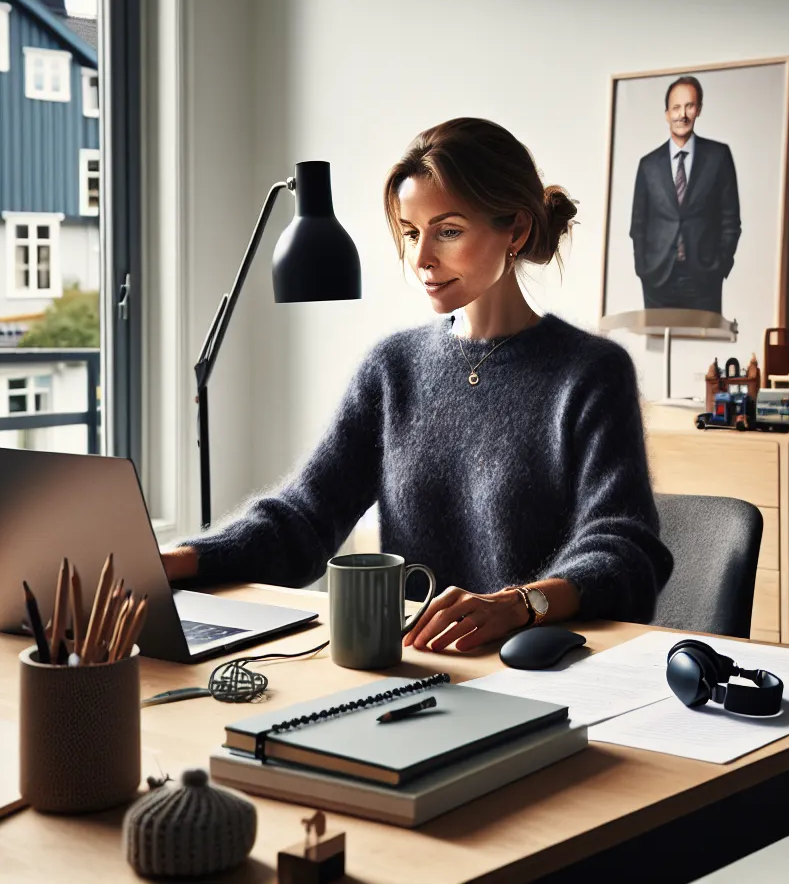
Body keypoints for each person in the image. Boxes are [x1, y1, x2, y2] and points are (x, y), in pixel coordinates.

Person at [161, 118, 671, 654]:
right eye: (410, 232)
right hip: (410, 670)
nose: (422, 257)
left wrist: (520, 604)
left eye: (448, 231)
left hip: (541, 674)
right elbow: (305, 518)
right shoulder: (392, 368)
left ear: (515, 231)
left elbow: (624, 546)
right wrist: (179, 559)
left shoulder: (589, 372)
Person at [629, 75, 741, 312]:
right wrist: (643, 269)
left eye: (689, 106)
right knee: (656, 345)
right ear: (667, 113)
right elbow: (638, 224)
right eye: (676, 107)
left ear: (698, 109)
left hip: (704, 278)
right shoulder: (648, 164)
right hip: (657, 278)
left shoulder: (718, 156)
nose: (682, 114)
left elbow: (730, 220)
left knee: (704, 347)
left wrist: (720, 266)